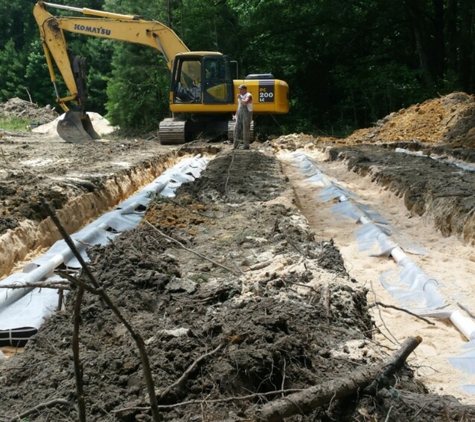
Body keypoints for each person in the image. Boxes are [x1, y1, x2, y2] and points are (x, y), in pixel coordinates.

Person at [233, 84, 253, 150]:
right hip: (240, 114)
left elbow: (245, 103)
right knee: (236, 129)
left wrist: (240, 98)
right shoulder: (241, 96)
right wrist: (236, 114)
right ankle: (235, 145)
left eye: (241, 89)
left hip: (247, 113)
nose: (239, 90)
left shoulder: (249, 95)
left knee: (246, 129)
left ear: (244, 89)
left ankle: (246, 146)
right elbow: (238, 106)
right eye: (239, 89)